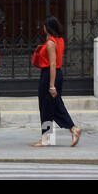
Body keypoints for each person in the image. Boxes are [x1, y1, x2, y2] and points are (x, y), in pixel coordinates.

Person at [31, 15, 81, 147]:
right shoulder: (59, 40)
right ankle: (46, 138)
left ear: (47, 28)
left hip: (49, 75)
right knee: (52, 106)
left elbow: (52, 64)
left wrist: (51, 85)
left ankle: (72, 128)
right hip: (56, 74)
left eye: (44, 26)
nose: (42, 28)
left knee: (48, 106)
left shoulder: (51, 43)